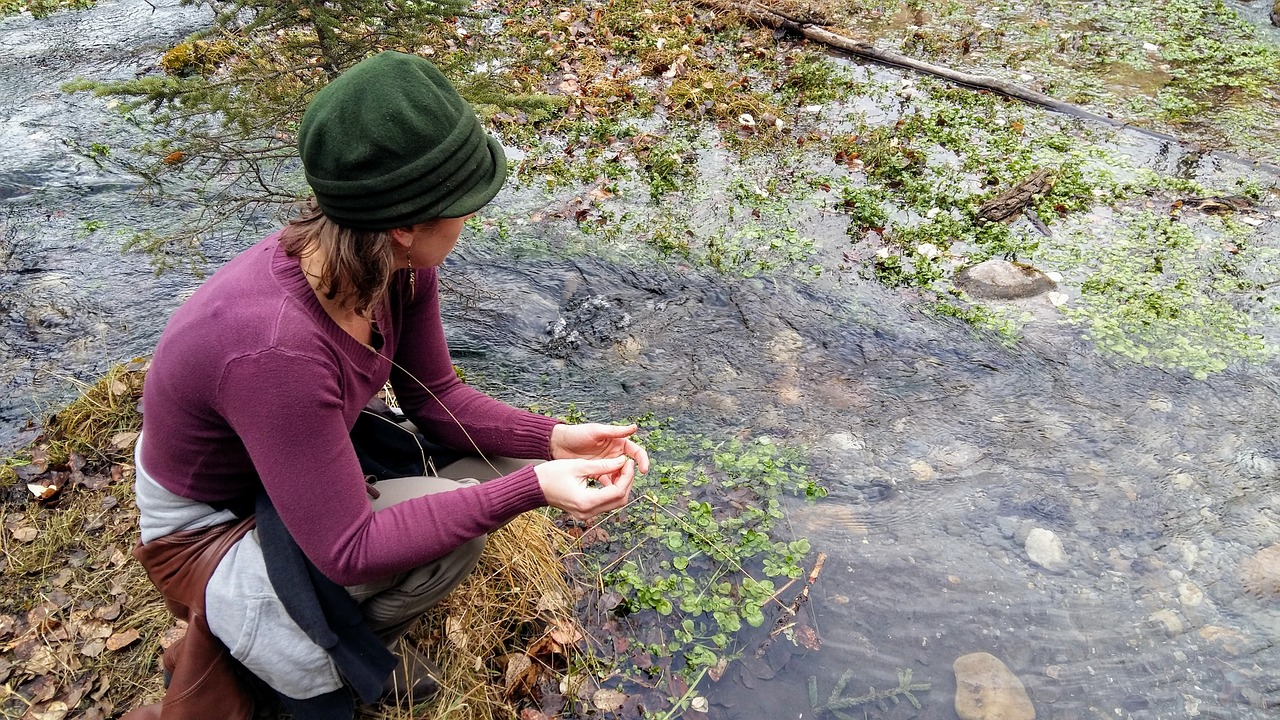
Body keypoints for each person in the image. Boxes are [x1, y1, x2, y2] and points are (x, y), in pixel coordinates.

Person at [123, 51, 649, 720]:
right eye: (463, 207)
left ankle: (342, 637)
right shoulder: (277, 346)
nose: (470, 221)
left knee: (504, 468)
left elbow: (437, 401)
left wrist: (552, 441)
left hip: (273, 466)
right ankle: (324, 657)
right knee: (461, 525)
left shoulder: (393, 266)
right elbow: (348, 549)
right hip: (204, 525)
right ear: (404, 225)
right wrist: (532, 489)